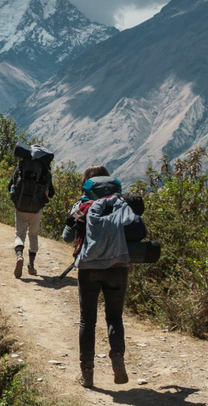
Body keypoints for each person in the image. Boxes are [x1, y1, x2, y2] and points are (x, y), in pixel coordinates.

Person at [62, 165, 135, 388]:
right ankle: (117, 357)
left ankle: (87, 373)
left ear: (87, 183)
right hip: (118, 267)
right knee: (114, 317)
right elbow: (134, 232)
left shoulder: (83, 205)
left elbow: (67, 237)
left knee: (88, 320)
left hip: (89, 268)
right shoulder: (121, 203)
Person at [8, 155, 55, 278]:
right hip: (36, 209)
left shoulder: (21, 167)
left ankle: (19, 255)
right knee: (33, 235)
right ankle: (31, 265)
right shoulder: (44, 171)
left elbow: (10, 186)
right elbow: (51, 194)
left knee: (20, 234)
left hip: (21, 207)